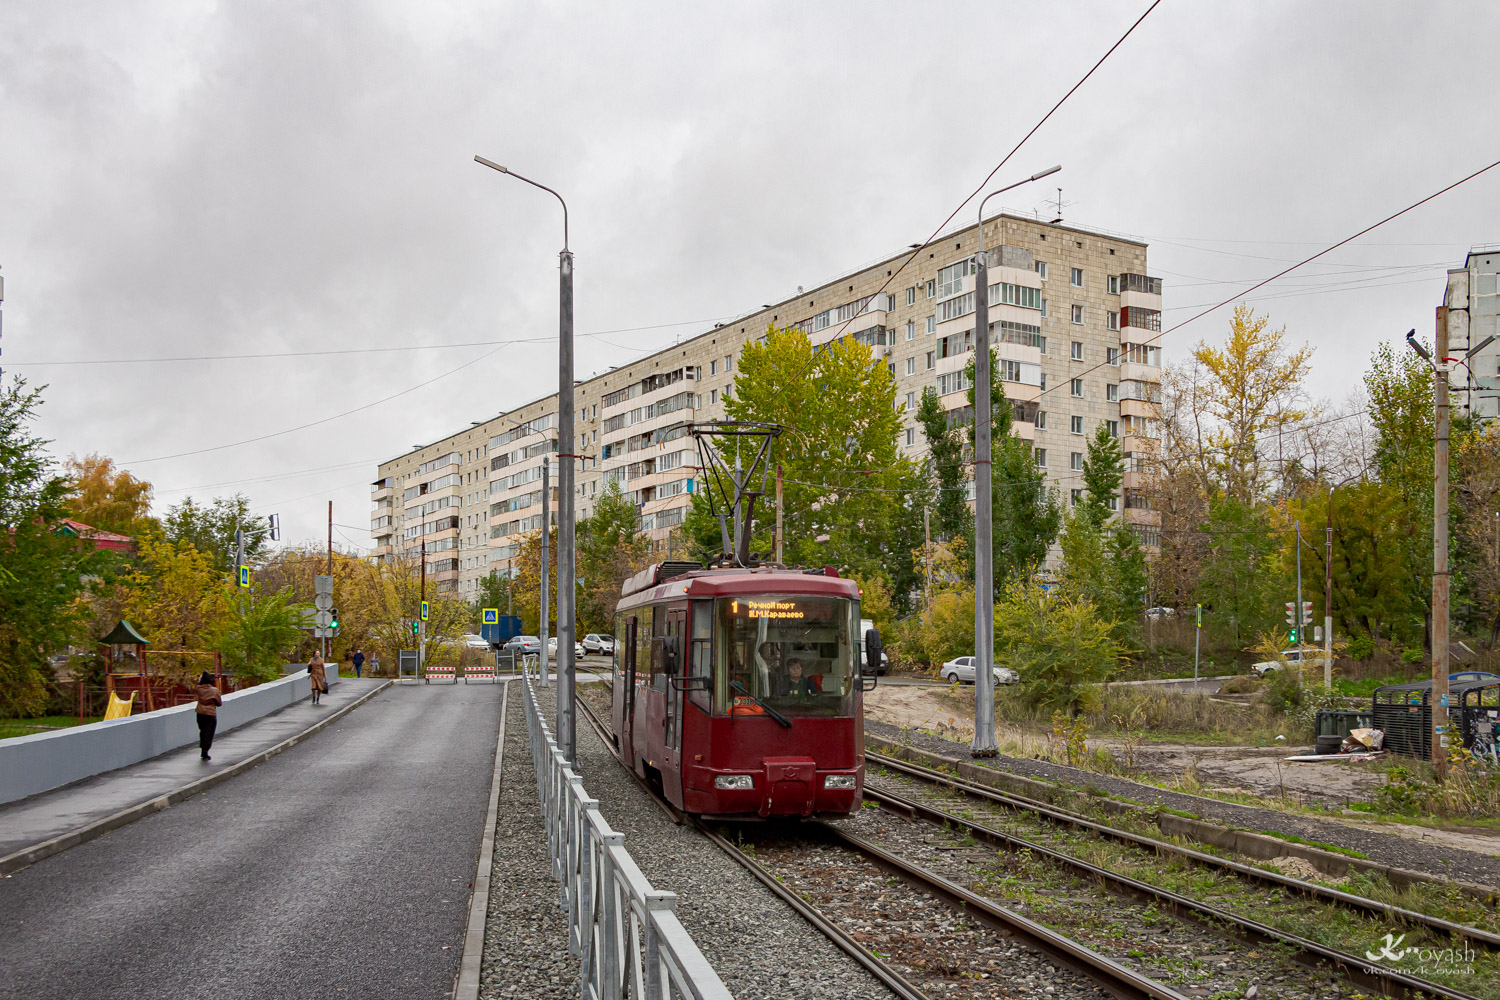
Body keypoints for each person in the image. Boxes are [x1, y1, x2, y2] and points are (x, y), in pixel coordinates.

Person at [193, 671, 222, 760]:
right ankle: (205, 751)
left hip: (200, 713)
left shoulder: (198, 689)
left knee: (203, 731)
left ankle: (203, 747)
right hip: (210, 714)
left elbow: (194, 686)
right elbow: (219, 703)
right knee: (209, 732)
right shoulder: (214, 690)